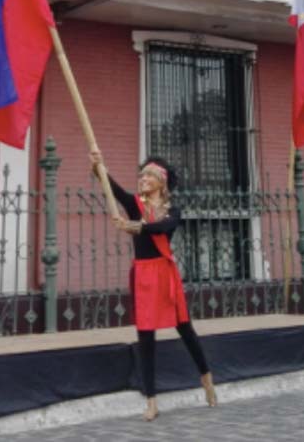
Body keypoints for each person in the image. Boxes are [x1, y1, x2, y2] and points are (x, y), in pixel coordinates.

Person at [89, 149, 216, 421]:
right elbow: (115, 190)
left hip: (165, 274)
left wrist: (133, 226)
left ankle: (206, 378)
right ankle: (151, 402)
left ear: (161, 182)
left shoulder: (173, 211)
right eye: (142, 175)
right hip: (144, 275)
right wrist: (99, 167)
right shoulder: (135, 204)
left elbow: (162, 227)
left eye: (149, 175)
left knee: (185, 330)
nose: (143, 179)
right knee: (145, 337)